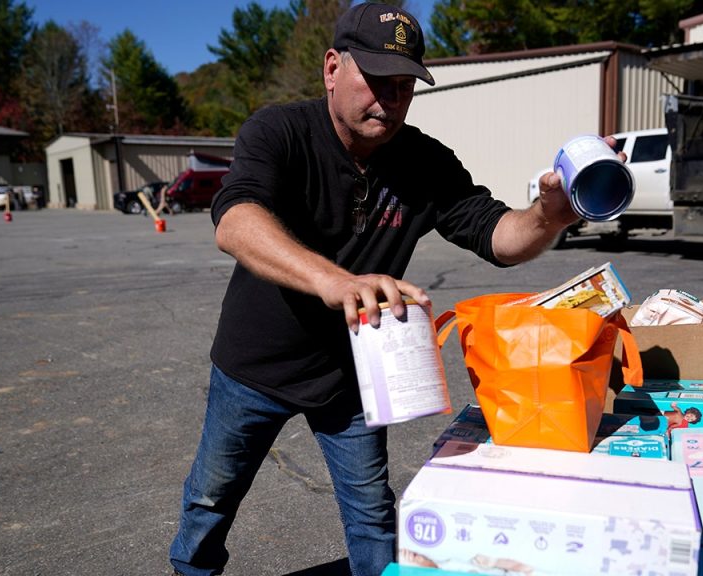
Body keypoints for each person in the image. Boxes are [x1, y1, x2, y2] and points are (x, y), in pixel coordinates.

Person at [168, 3, 620, 576]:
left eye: (404, 85)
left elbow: (498, 237)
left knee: (374, 516)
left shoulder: (423, 160)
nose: (390, 97)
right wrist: (332, 279)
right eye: (376, 79)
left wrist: (551, 214)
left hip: (353, 377)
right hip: (253, 369)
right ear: (333, 68)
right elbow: (235, 221)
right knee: (210, 500)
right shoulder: (278, 131)